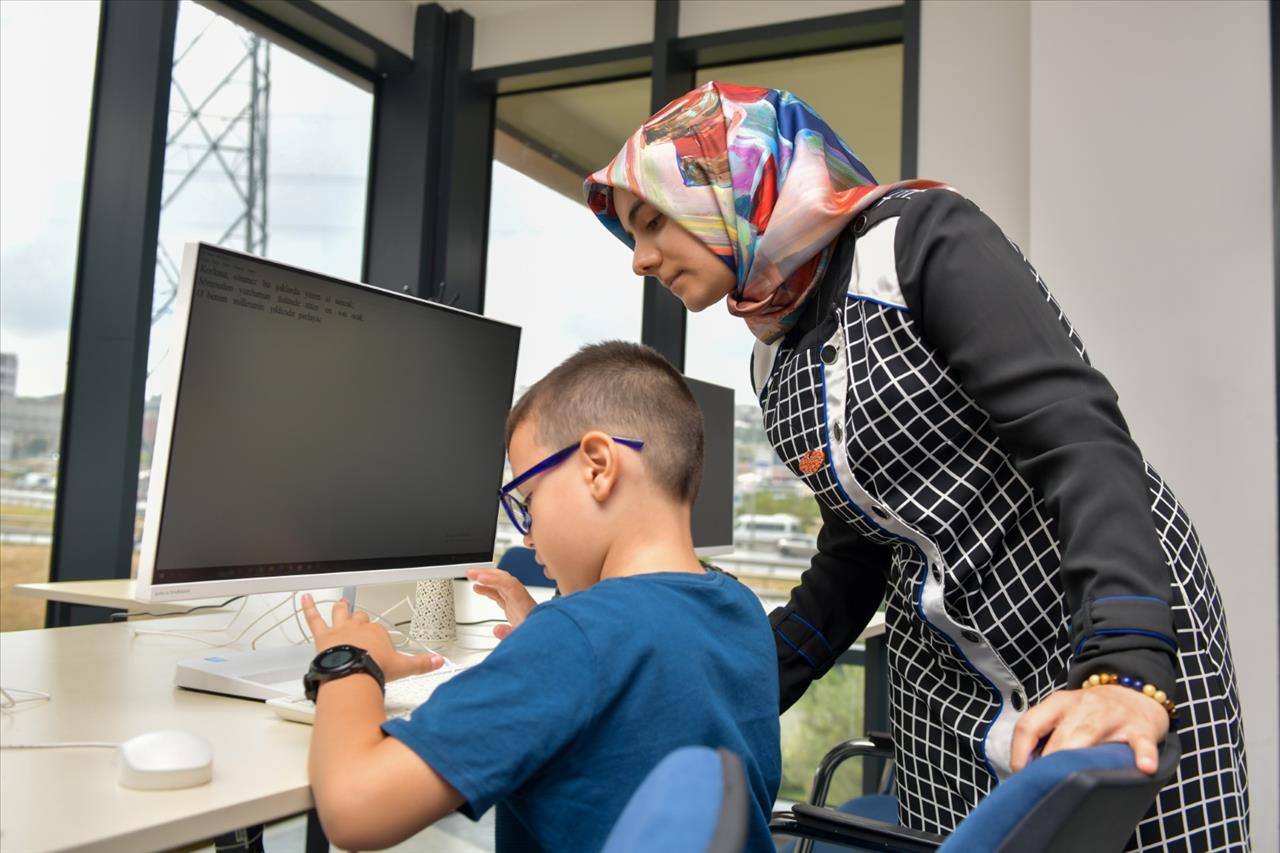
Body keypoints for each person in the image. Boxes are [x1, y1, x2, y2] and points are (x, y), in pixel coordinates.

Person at [583, 81, 1249, 851]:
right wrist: (740, 685)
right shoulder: (773, 359)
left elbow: (1078, 438)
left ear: (722, 186)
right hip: (945, 681)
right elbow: (856, 555)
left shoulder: (917, 240)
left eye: (650, 221)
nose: (638, 259)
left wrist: (1128, 664)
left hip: (1091, 618)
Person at [300, 340, 782, 852]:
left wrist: (348, 662)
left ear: (597, 466)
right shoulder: (740, 608)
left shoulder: (576, 638)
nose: (528, 537)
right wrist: (552, 641)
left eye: (529, 501)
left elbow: (354, 810)